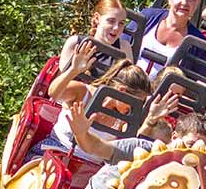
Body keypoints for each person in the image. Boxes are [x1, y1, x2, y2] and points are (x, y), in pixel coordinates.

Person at [28, 43, 177, 162]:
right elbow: (54, 93)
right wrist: (73, 70)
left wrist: (151, 120)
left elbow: (128, 147)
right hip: (57, 152)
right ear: (123, 92)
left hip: (88, 170)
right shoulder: (83, 93)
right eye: (134, 103)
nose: (134, 108)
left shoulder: (123, 118)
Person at [67, 107, 206, 189]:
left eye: (202, 150)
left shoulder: (192, 179)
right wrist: (81, 133)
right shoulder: (142, 149)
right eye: (190, 144)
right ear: (175, 137)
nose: (195, 153)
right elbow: (96, 147)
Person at [137, 0, 206, 79]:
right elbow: (122, 45)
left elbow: (197, 83)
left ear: (197, 3)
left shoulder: (198, 43)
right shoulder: (147, 17)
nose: (184, 2)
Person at [58, 0, 133, 74]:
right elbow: (58, 83)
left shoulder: (123, 47)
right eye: (111, 21)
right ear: (97, 19)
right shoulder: (75, 43)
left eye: (121, 23)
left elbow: (129, 83)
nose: (116, 28)